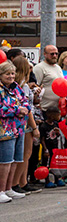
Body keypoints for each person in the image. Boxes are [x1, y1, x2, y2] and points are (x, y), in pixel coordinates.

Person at [0, 60, 31, 203]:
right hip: (5, 130)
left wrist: (24, 109)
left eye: (13, 73)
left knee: (15, 160)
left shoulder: (16, 87)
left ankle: (8, 188)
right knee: (5, 161)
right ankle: (1, 190)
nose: (11, 76)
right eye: (7, 74)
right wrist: (18, 110)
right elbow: (2, 108)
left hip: (19, 128)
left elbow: (25, 101)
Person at [11, 55, 40, 194]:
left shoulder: (20, 85)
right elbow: (27, 108)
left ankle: (23, 182)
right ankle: (15, 182)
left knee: (23, 154)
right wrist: (34, 127)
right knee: (25, 154)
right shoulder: (22, 86)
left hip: (23, 121)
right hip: (26, 122)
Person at [33, 44, 64, 114]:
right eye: (52, 54)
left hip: (58, 108)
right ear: (45, 54)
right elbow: (34, 86)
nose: (54, 56)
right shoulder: (39, 68)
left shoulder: (58, 67)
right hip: (45, 109)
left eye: (56, 54)